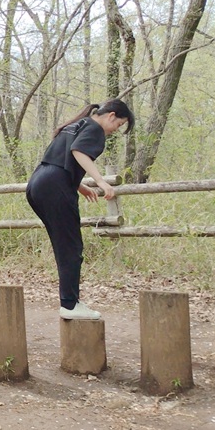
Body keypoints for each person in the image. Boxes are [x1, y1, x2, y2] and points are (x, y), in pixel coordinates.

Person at [25, 99, 134, 320]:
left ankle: (71, 301)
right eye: (119, 124)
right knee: (71, 247)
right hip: (55, 185)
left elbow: (59, 160)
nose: (116, 130)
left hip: (38, 183)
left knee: (64, 244)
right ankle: (70, 304)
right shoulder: (95, 128)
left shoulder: (76, 124)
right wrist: (101, 181)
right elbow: (78, 152)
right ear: (111, 115)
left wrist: (80, 186)